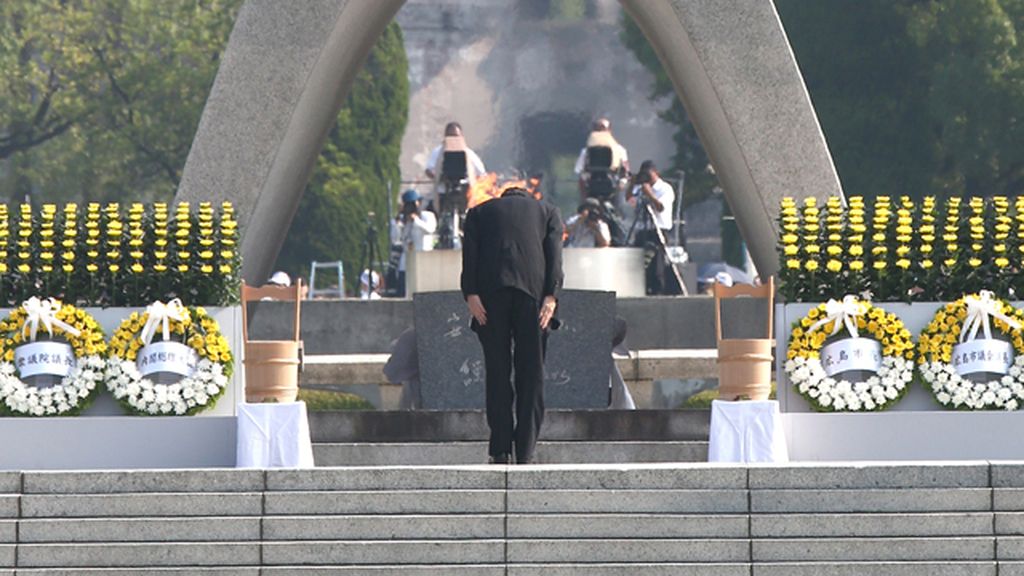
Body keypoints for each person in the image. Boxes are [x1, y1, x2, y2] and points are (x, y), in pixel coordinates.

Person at [461, 187, 563, 465]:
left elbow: (470, 255)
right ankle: (526, 449)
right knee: (532, 373)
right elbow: (554, 255)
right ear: (526, 198)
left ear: (503, 198)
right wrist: (551, 297)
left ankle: (500, 448)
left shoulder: (478, 212)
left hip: (490, 299)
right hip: (534, 298)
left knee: (497, 371)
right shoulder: (548, 212)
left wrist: (471, 294)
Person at [629, 160, 675, 295]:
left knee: (656, 264)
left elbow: (660, 208)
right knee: (637, 262)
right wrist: (632, 184)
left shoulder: (665, 188)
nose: (646, 178)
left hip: (659, 229)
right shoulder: (641, 188)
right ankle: (640, 288)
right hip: (643, 228)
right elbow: (628, 198)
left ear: (656, 173)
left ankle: (658, 290)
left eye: (648, 175)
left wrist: (649, 193)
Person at [425, 121, 487, 210]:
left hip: (464, 194)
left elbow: (482, 174)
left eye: (456, 136)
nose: (453, 139)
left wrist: (471, 182)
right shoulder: (437, 152)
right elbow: (428, 170)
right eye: (450, 136)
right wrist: (439, 177)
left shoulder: (468, 153)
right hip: (443, 194)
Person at [390, 189, 437, 296]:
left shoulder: (427, 216)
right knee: (404, 286)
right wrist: (396, 223)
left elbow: (430, 229)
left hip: (423, 255)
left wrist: (416, 220)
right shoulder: (403, 219)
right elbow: (395, 239)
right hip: (407, 257)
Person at [574, 118, 629, 202]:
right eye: (598, 129)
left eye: (602, 128)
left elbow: (625, 170)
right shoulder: (586, 152)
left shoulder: (620, 150)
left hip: (612, 190)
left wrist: (622, 182)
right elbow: (579, 171)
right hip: (592, 190)